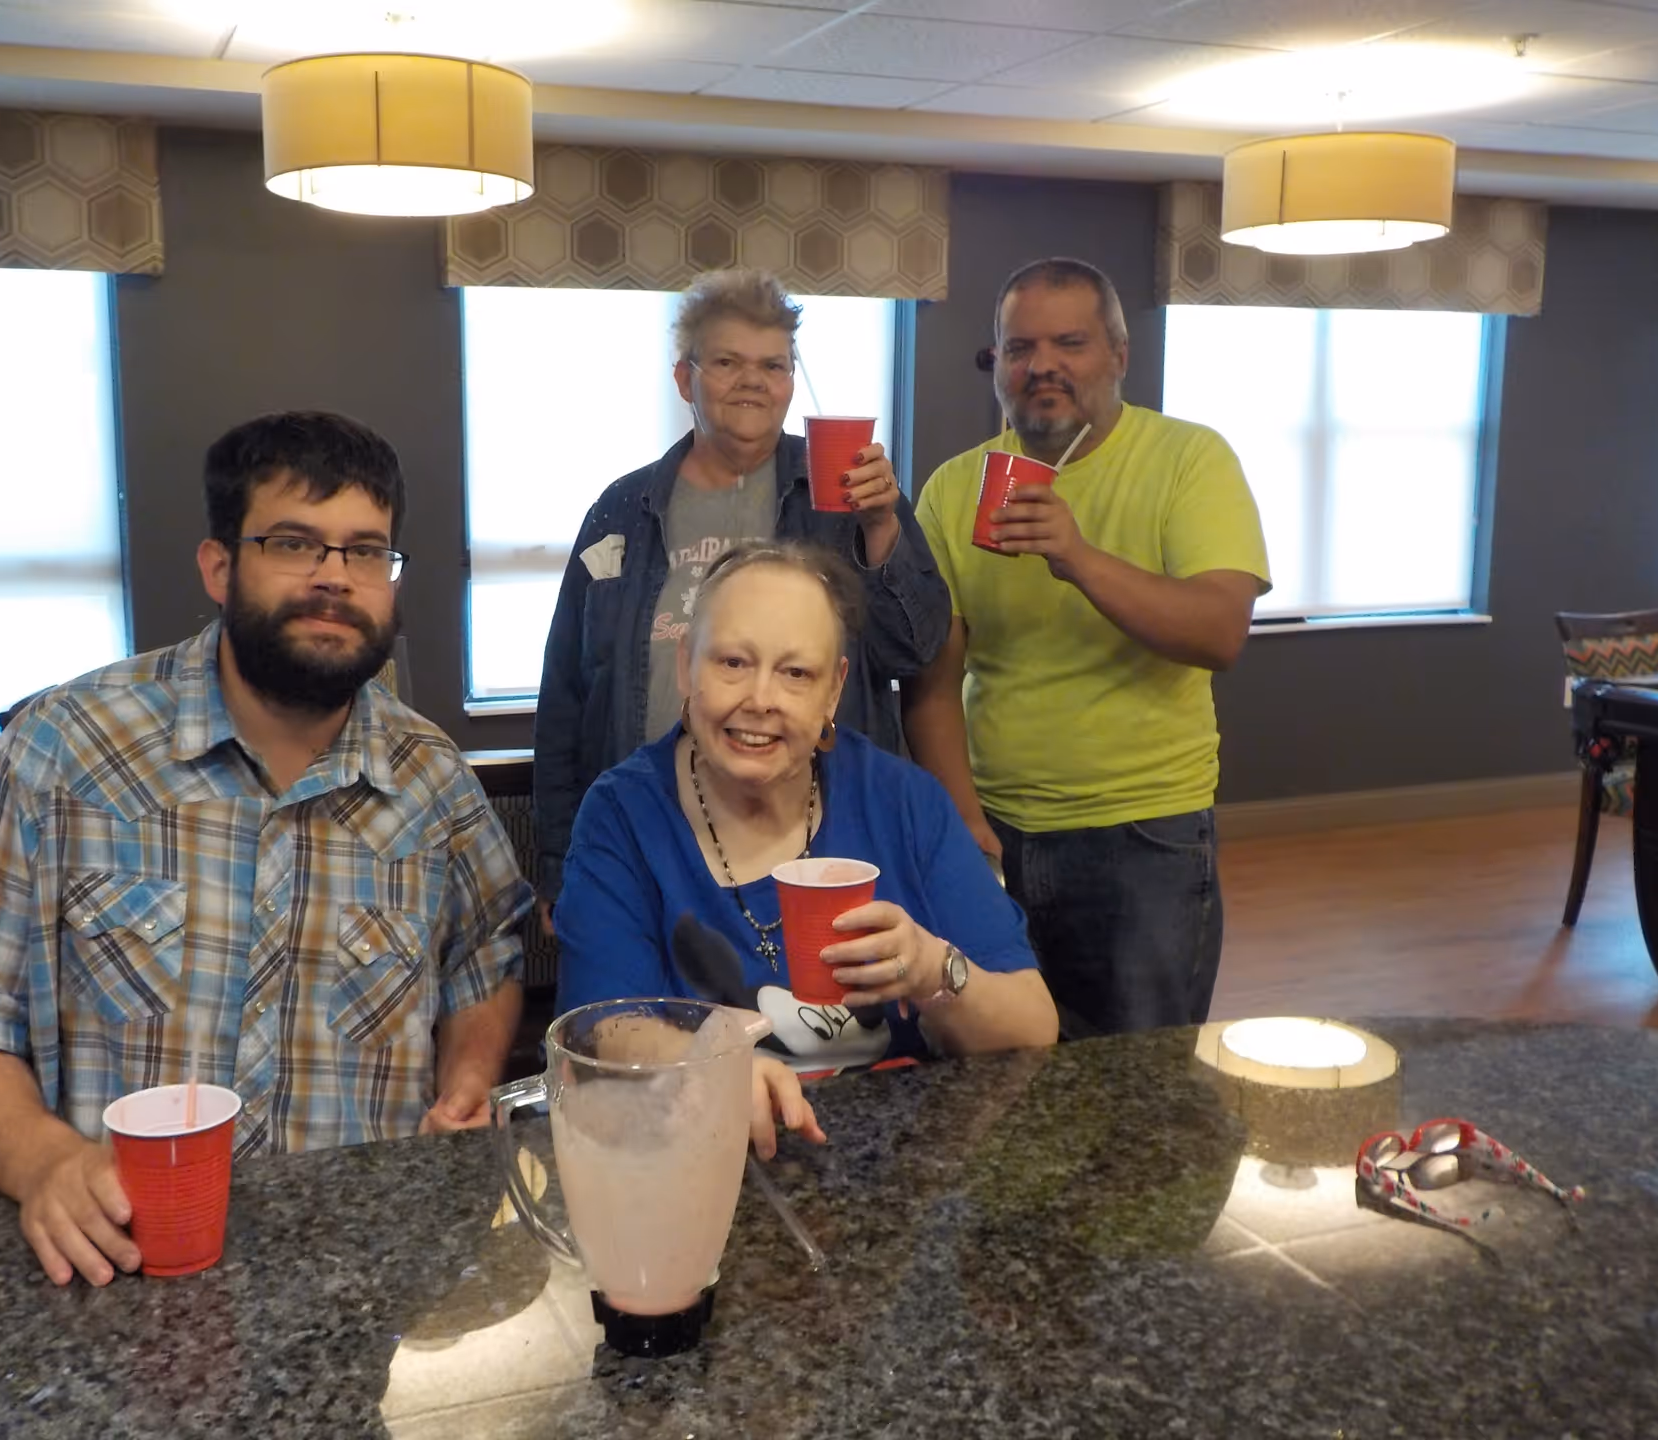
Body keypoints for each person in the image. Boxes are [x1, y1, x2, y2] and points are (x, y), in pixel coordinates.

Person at [0, 411, 533, 1287]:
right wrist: (42, 1162)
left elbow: (483, 964)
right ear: (219, 566)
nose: (333, 579)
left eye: (365, 552)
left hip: (350, 1274)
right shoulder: (66, 751)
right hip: (105, 1267)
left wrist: (465, 1078)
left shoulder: (433, 783)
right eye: (295, 544)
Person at [555, 541, 1057, 1153]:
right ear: (687, 666)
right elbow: (597, 1031)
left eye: (796, 673)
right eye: (733, 662)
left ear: (833, 691)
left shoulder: (902, 801)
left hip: (902, 1174)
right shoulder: (624, 814)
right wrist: (705, 1060)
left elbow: (1034, 1026)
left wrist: (931, 970)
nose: (760, 699)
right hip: (706, 1167)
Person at [905, 257, 1270, 1040]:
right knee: (996, 1072)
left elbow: (1219, 632)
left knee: (1141, 1081)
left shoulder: (1189, 461)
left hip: (1144, 838)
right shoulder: (951, 489)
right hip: (997, 830)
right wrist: (963, 821)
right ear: (996, 364)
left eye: (1069, 343)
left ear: (1118, 356)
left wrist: (1077, 557)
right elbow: (934, 684)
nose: (1043, 366)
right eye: (1018, 347)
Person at [533, 268, 950, 927]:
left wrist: (881, 526)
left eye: (773, 365)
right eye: (727, 361)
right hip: (646, 835)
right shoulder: (620, 509)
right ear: (685, 379)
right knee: (642, 1015)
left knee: (820, 1018)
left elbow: (915, 648)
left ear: (791, 381)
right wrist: (558, 863)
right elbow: (564, 695)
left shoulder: (849, 497)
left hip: (817, 835)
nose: (752, 381)